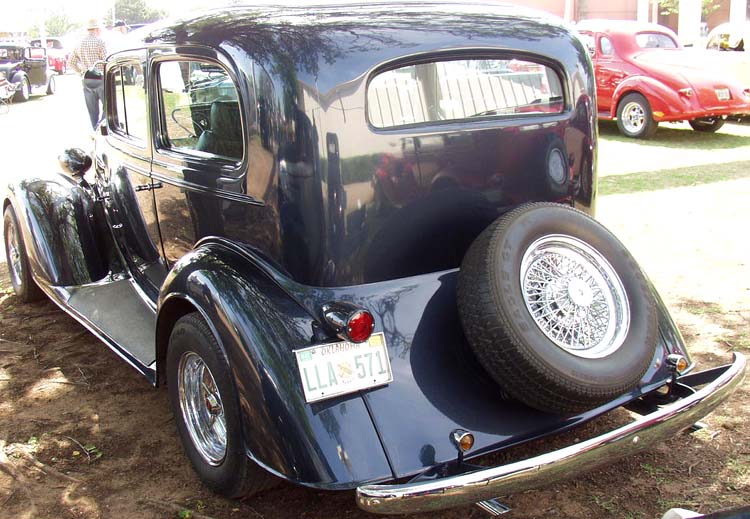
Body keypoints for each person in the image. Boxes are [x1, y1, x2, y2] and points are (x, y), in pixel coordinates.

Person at [69, 19, 107, 129]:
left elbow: (71, 62)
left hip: (86, 78)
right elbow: (105, 60)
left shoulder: (79, 43)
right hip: (100, 76)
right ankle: (103, 126)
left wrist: (80, 72)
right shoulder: (100, 42)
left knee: (92, 110)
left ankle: (95, 128)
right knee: (107, 106)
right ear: (96, 29)